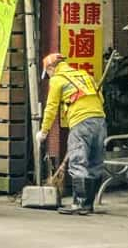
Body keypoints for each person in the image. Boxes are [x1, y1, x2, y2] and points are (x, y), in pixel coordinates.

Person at [36, 53, 107, 215]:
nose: (48, 76)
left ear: (50, 68)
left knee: (78, 161)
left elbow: (51, 107)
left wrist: (44, 131)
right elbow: (100, 98)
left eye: (47, 73)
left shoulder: (57, 80)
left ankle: (79, 203)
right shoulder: (84, 75)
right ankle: (89, 204)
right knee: (95, 162)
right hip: (100, 120)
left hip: (80, 122)